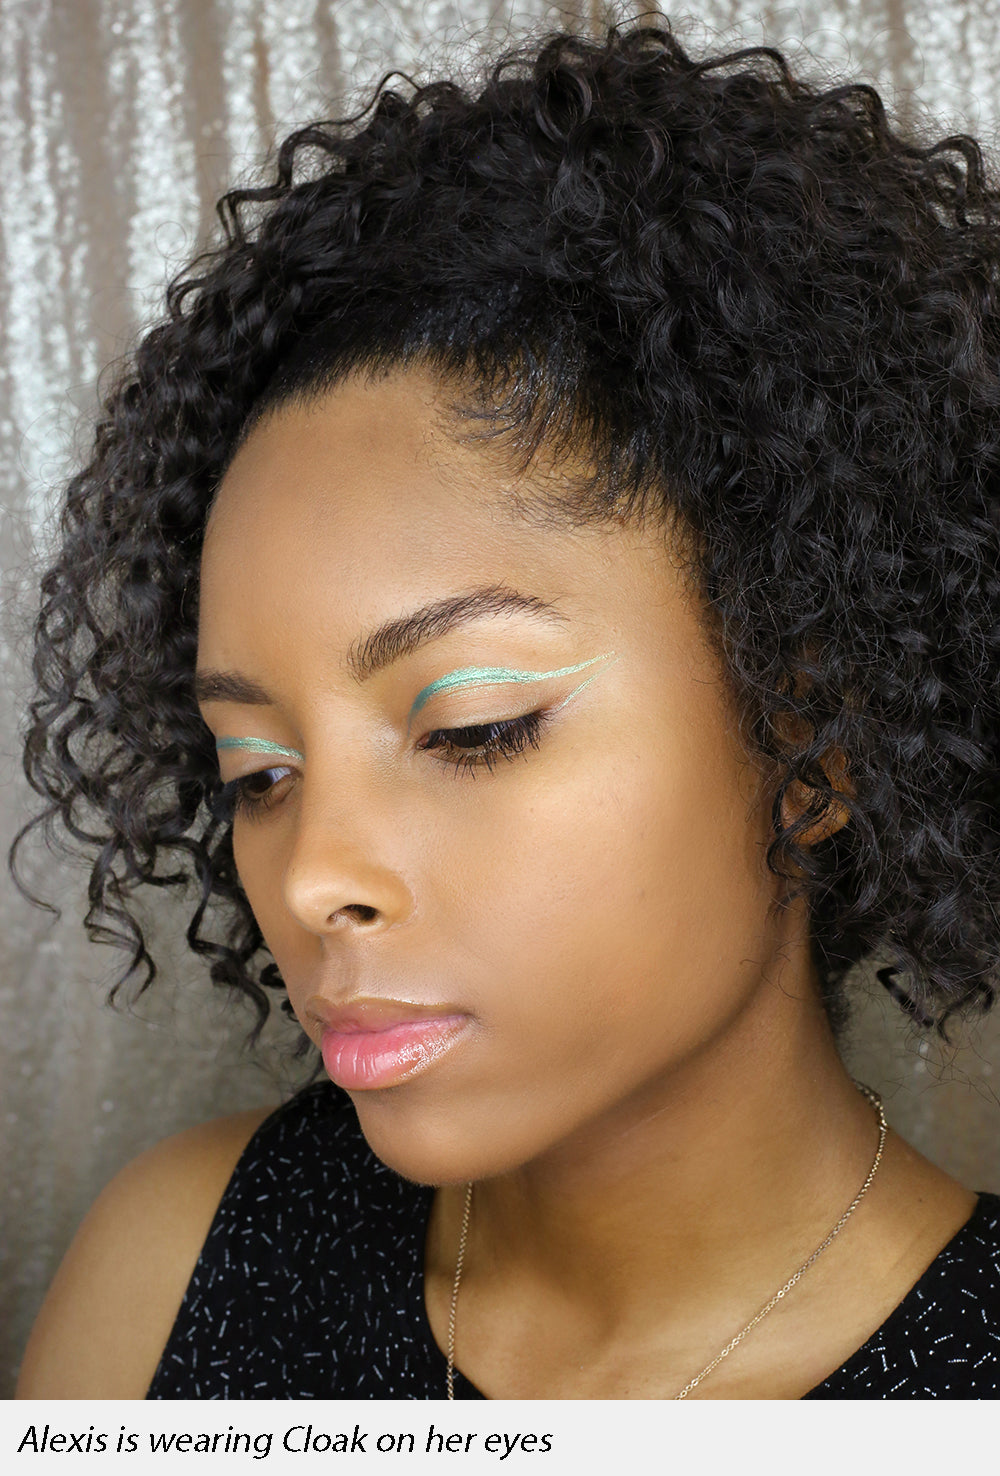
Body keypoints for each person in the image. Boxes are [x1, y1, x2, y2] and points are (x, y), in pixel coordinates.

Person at [12, 21, 1000, 1400]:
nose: (313, 880)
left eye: (472, 730)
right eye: (258, 771)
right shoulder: (174, 1265)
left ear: (813, 739)